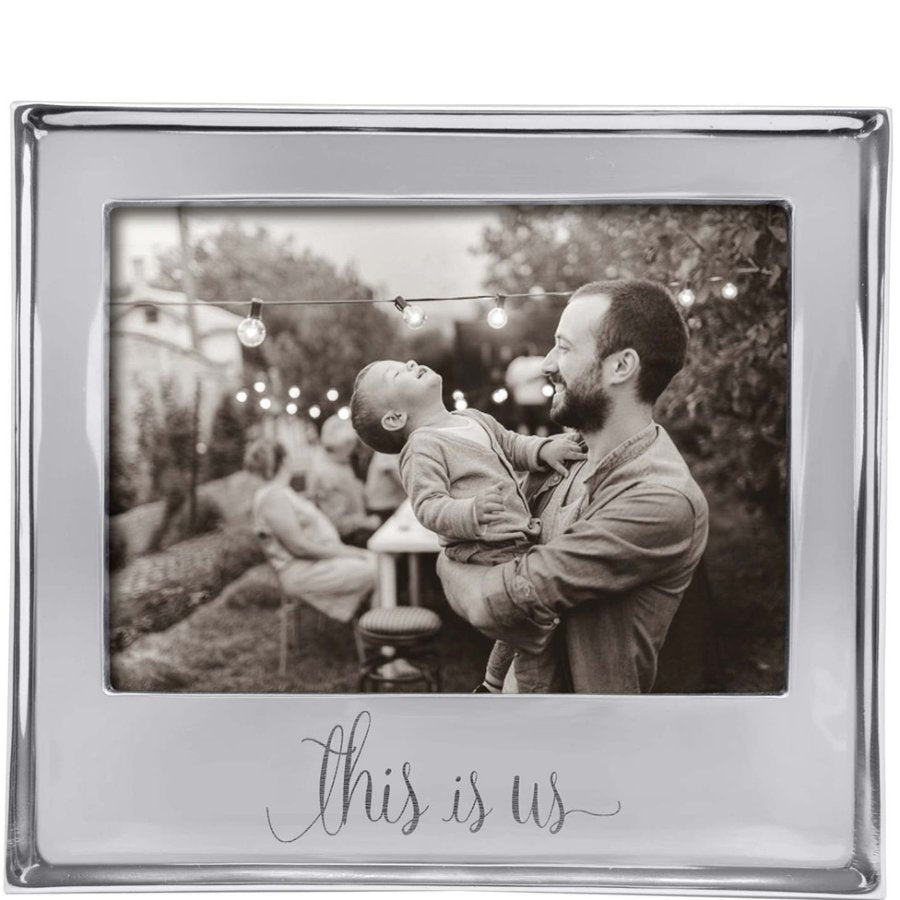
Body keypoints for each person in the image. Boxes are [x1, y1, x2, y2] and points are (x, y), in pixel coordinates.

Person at [438, 279, 710, 693]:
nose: (547, 364)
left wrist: (454, 569)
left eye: (563, 348)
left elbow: (488, 602)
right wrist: (459, 566)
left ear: (621, 366)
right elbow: (466, 551)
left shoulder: (661, 498)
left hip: (582, 735)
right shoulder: (562, 459)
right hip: (517, 705)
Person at [349, 358, 585, 692]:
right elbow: (429, 507)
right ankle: (532, 696)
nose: (411, 362)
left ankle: (492, 684)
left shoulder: (471, 418)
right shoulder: (422, 446)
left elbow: (511, 444)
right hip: (481, 547)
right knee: (538, 626)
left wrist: (544, 449)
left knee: (529, 627)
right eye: (397, 372)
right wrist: (471, 512)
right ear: (395, 417)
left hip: (512, 538)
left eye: (404, 362)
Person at [246, 439, 376, 623]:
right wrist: (347, 552)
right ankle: (381, 636)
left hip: (313, 565)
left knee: (377, 562)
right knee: (378, 567)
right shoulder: (273, 496)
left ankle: (375, 626)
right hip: (304, 572)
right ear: (284, 461)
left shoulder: (277, 492)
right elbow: (299, 547)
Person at [307, 415, 382, 547]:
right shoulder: (327, 473)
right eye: (352, 444)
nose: (354, 449)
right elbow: (336, 523)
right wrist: (366, 521)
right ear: (345, 445)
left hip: (355, 528)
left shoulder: (336, 462)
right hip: (345, 539)